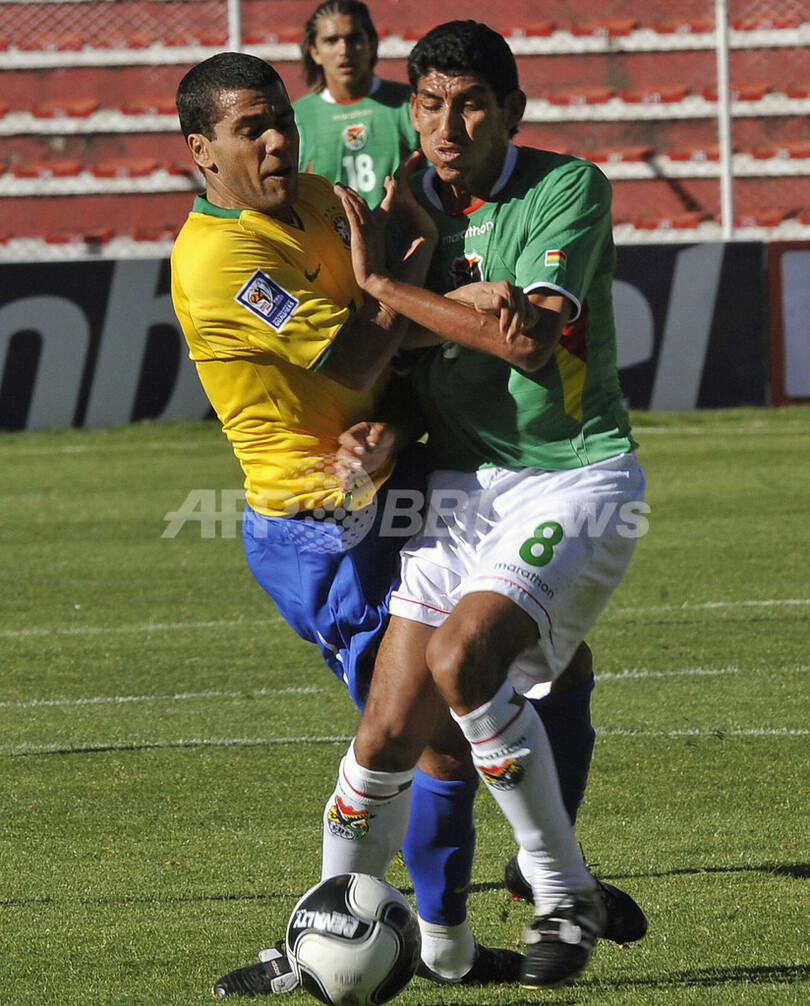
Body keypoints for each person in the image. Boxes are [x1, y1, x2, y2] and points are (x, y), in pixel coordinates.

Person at [170, 50, 534, 998]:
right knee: (411, 731)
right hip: (317, 527)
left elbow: (395, 315)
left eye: (279, 118)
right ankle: (321, 945)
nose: (277, 139)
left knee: (460, 712)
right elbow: (358, 354)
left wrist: (408, 252)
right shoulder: (219, 260)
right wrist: (422, 294)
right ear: (201, 151)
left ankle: (444, 943)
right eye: (250, 128)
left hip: (395, 483)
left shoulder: (325, 196)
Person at [316, 20, 648, 991]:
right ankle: (323, 927)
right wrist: (393, 402)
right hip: (460, 482)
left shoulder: (566, 188)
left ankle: (561, 892)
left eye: (469, 103)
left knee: (466, 661)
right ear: (408, 110)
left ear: (512, 110)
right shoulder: (409, 199)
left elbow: (530, 344)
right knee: (390, 727)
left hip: (575, 473)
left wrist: (391, 288)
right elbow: (402, 348)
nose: (447, 123)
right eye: (428, 104)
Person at [294, 0, 417, 209]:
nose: (344, 50)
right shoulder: (296, 117)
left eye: (354, 38)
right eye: (331, 41)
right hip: (328, 240)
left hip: (399, 239)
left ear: (372, 44)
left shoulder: (408, 103)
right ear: (315, 52)